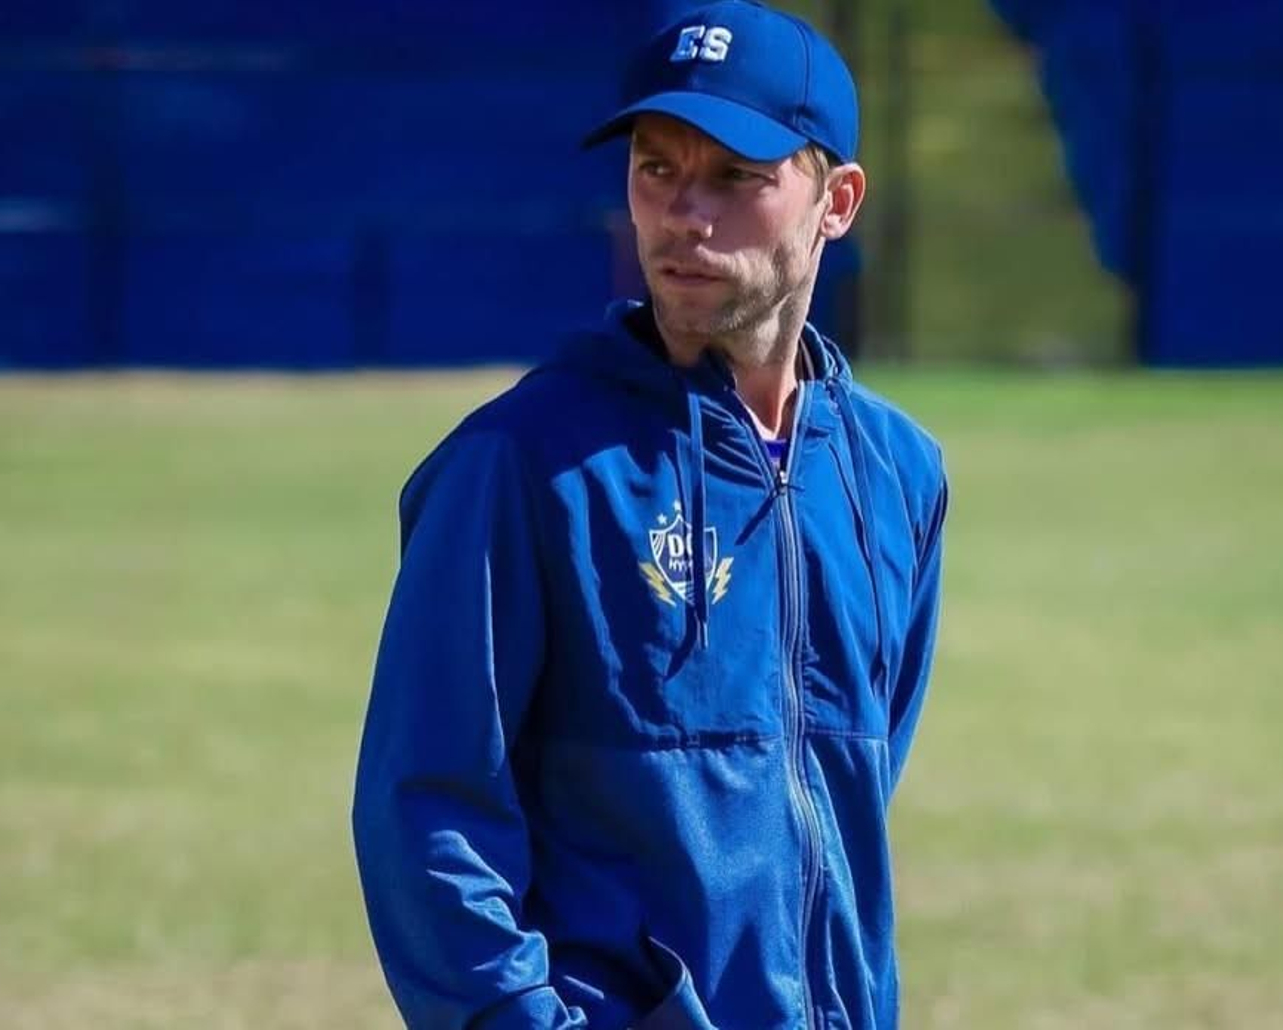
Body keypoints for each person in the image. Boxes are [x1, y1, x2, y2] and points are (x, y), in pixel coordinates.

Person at [351, 3, 949, 1027]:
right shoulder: (521, 464)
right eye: (656, 169)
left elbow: (851, 781)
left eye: (735, 177)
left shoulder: (896, 472)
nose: (685, 216)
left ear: (836, 201)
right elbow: (428, 806)